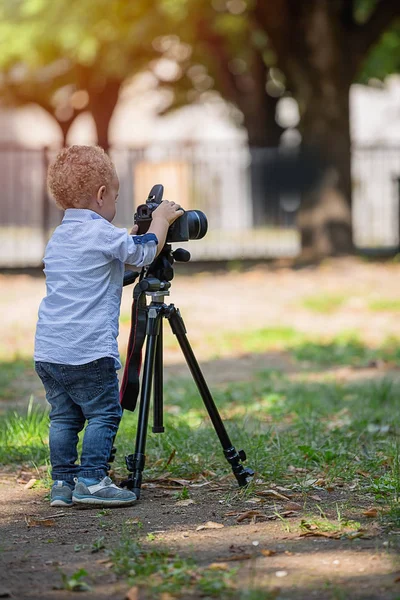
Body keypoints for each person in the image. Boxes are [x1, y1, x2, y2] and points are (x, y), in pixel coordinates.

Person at [34, 145, 183, 508]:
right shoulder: (103, 235)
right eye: (115, 195)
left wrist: (126, 240)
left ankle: (63, 484)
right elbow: (145, 253)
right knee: (104, 412)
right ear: (102, 195)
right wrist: (160, 221)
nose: (115, 201)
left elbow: (105, 271)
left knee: (64, 417)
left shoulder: (60, 238)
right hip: (88, 350)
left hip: (50, 352)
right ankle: (92, 480)